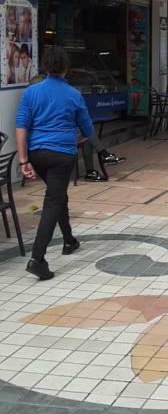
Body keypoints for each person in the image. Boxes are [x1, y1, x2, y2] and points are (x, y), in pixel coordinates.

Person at [15, 46, 93, 281]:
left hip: (37, 153)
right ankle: (37, 259)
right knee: (53, 201)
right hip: (62, 155)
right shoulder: (74, 94)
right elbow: (88, 130)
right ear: (66, 68)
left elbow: (21, 126)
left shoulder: (31, 92)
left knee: (58, 196)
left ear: (45, 67)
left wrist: (23, 160)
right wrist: (75, 140)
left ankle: (68, 240)